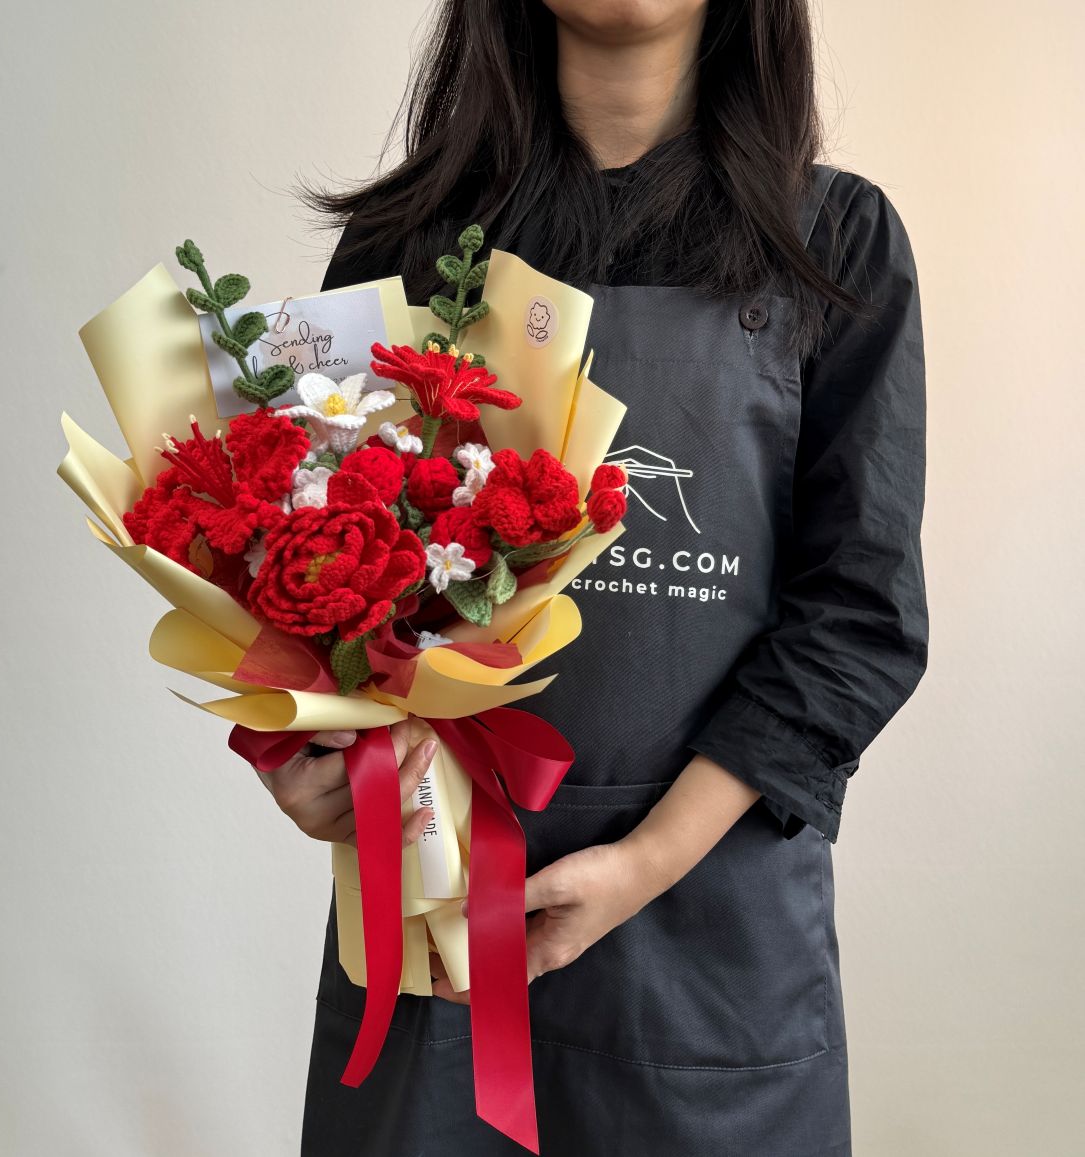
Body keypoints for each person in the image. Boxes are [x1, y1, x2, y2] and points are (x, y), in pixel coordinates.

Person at [256, 1, 928, 1152]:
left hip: (712, 923)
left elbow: (858, 615)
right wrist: (310, 756)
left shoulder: (834, 239)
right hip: (443, 887)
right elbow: (328, 567)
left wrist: (648, 859)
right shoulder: (402, 245)